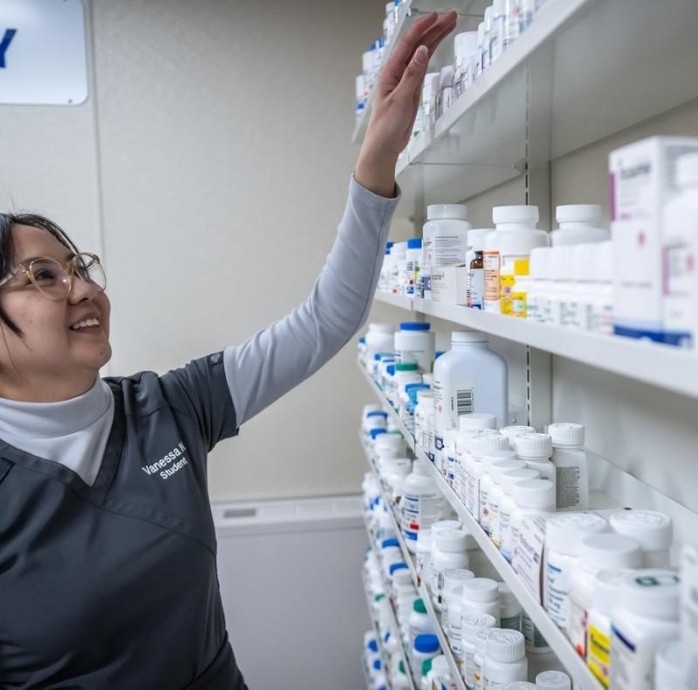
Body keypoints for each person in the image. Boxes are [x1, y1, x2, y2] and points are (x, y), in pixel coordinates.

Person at [0, 11, 457, 689]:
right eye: (41, 276)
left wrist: (375, 164)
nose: (79, 289)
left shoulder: (170, 406)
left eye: (79, 267)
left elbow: (327, 319)